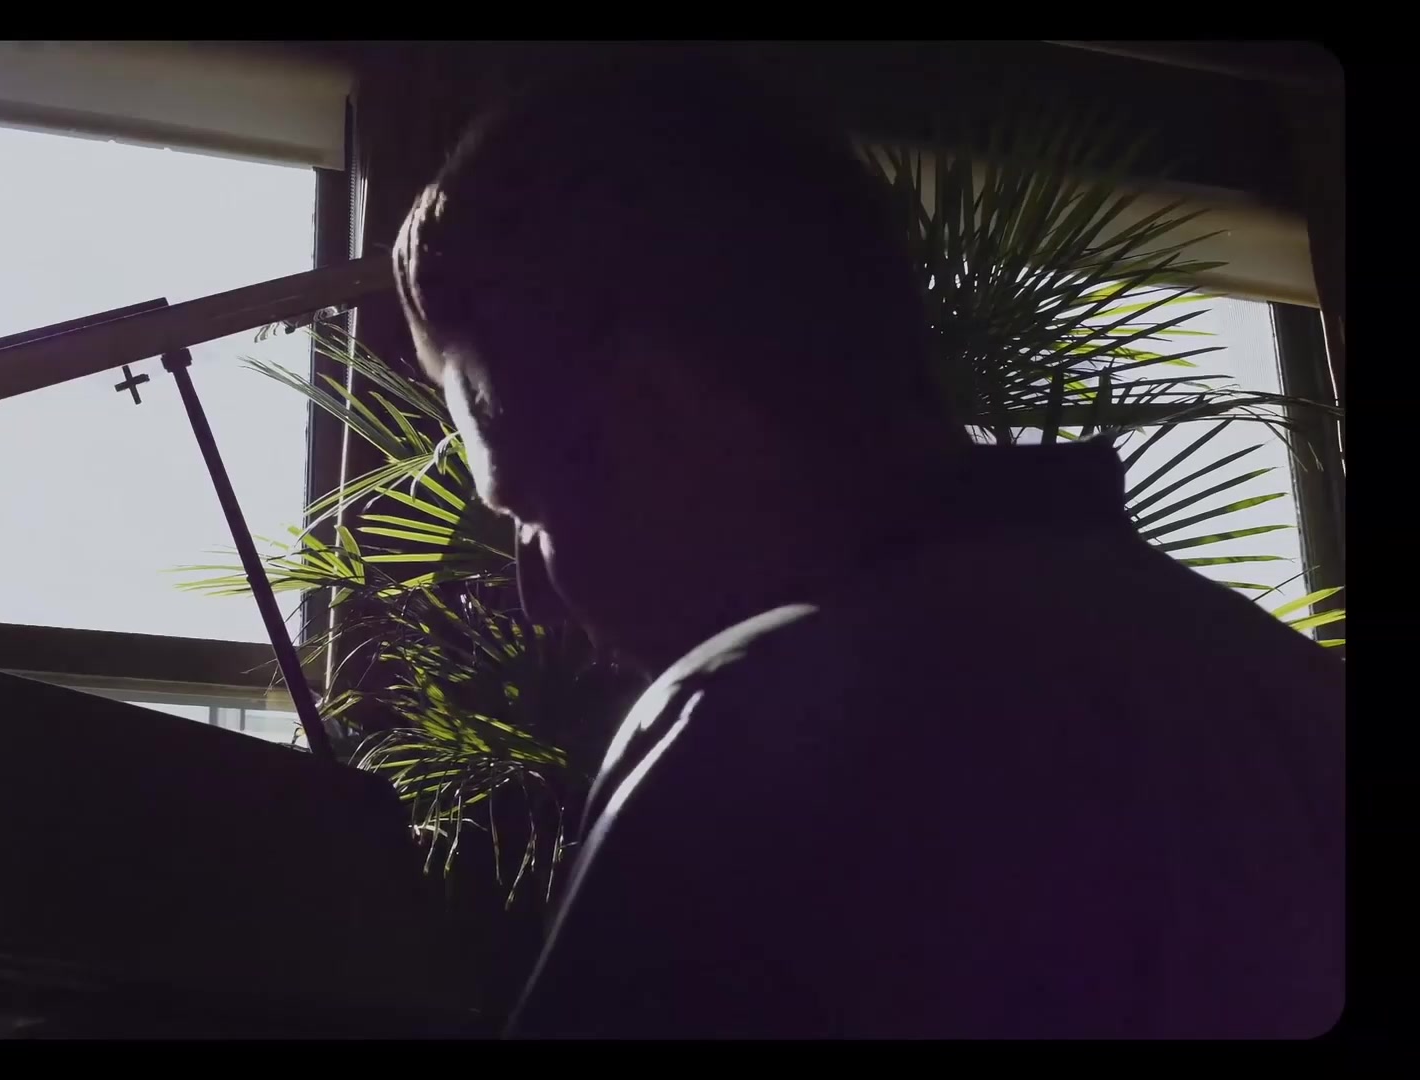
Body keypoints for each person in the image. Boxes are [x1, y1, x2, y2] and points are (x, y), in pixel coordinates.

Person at [390, 50, 1344, 1039]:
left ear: (654, 414)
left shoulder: (753, 731)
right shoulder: (1299, 699)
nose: (535, 595)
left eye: (527, 503)